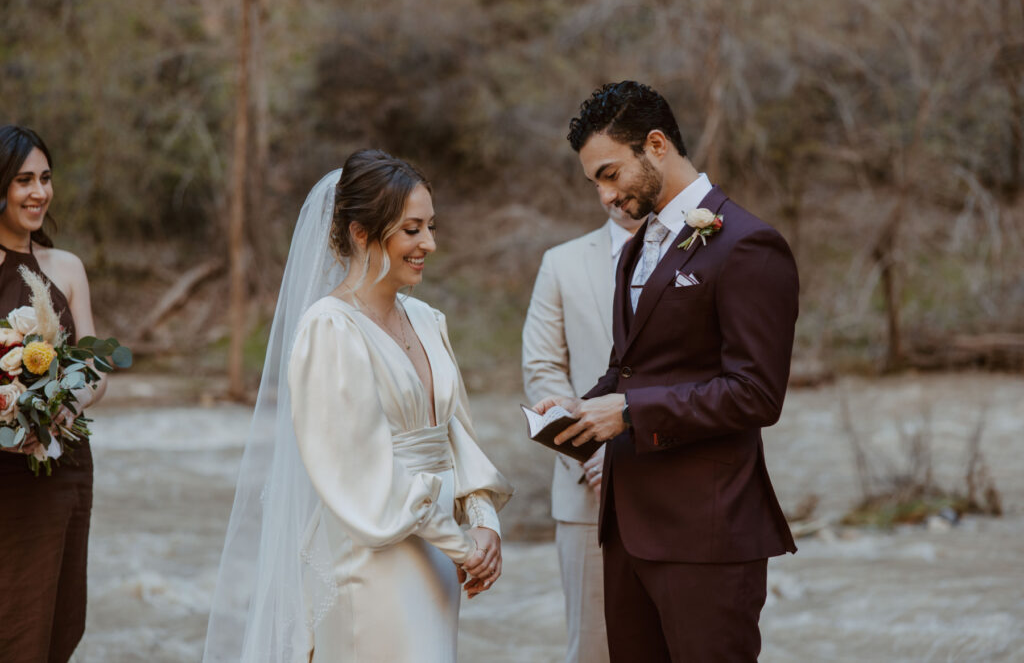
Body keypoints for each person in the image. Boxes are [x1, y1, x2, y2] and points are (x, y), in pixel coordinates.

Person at [204, 149, 512, 663]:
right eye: (411, 230)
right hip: (372, 558)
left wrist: (483, 522)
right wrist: (465, 547)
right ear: (360, 233)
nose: (429, 244)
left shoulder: (428, 320)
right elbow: (360, 469)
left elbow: (457, 435)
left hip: (440, 557)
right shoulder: (330, 328)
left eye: (430, 227)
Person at [534, 81, 799, 662]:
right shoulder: (637, 246)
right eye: (594, 183)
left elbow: (757, 394)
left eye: (610, 174)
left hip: (706, 533)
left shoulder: (750, 246)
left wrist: (629, 412)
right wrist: (579, 409)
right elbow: (631, 369)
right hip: (628, 530)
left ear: (656, 145)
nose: (604, 196)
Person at [0, 125, 107, 663]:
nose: (39, 192)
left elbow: (95, 364)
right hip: (1, 475)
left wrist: (67, 400)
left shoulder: (66, 268)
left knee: (53, 623)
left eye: (45, 178)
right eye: (24, 180)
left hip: (58, 465)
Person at [521, 200, 641, 663]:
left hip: (681, 487)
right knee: (594, 648)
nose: (610, 194)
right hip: (588, 493)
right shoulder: (561, 263)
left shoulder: (698, 252)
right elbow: (543, 369)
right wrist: (592, 447)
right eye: (598, 182)